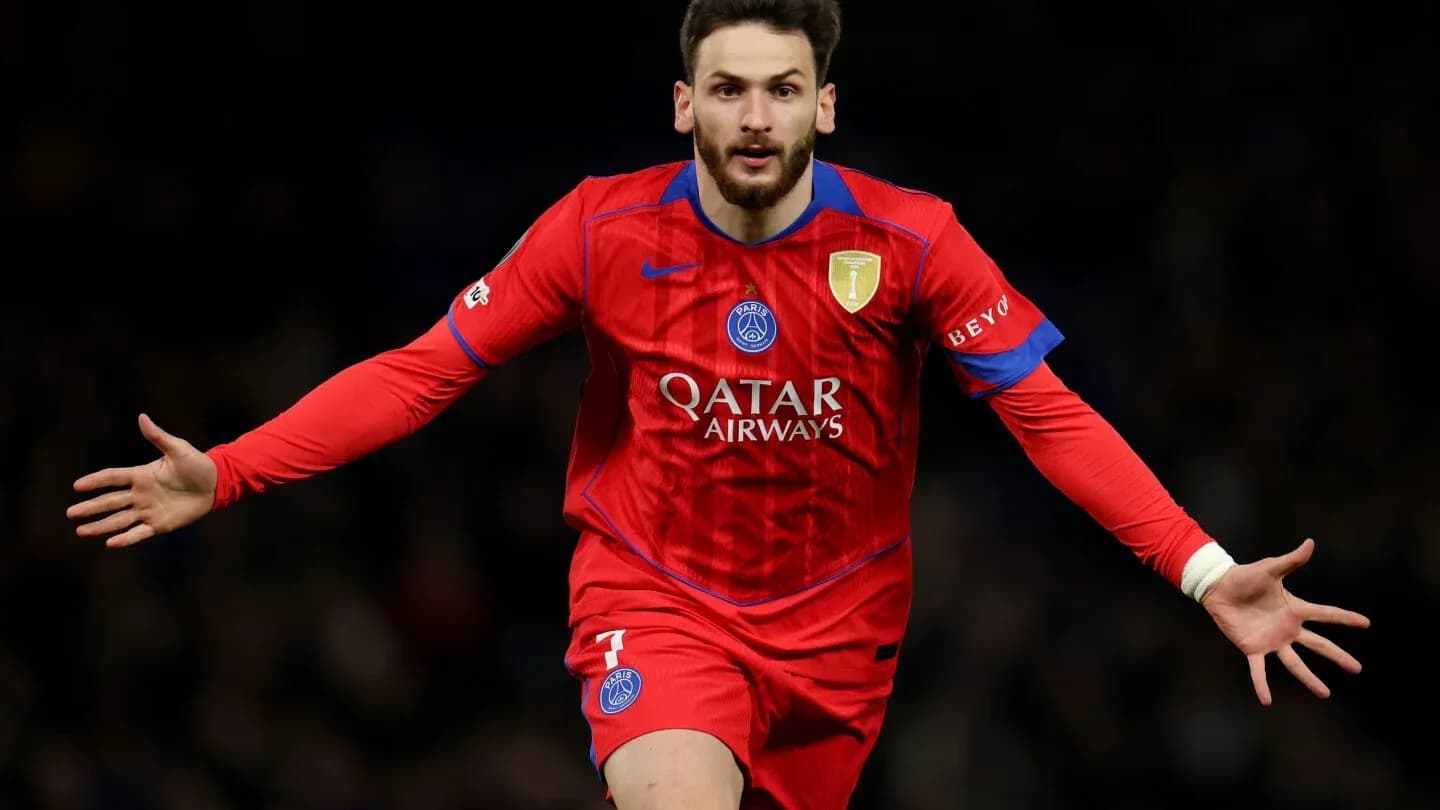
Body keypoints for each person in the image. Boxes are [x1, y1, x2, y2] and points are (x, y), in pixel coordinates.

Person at [66, 1, 1372, 807]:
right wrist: (227, 469)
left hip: (843, 631)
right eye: (731, 88)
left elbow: (1049, 414)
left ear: (826, 103)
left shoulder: (914, 244)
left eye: (784, 88)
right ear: (686, 100)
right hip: (657, 597)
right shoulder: (598, 228)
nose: (757, 116)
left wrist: (1204, 570)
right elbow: (423, 370)